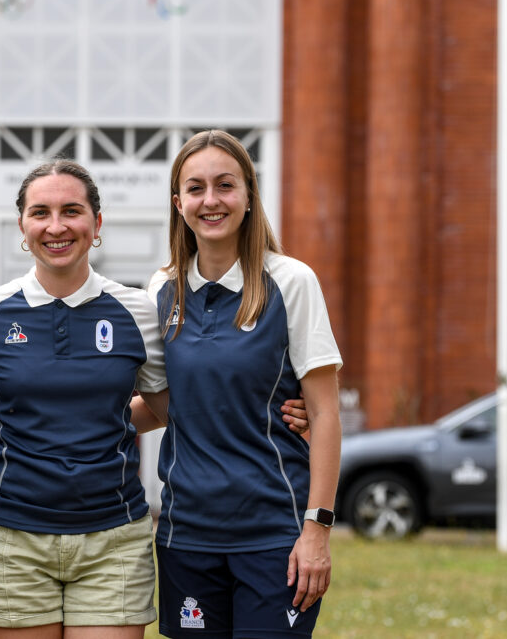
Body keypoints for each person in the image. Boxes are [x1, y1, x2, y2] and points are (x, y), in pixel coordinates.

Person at [0, 159, 311, 639]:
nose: (56, 227)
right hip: (9, 537)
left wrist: (275, 409)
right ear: (22, 226)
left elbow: (172, 407)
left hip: (113, 538)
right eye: (40, 213)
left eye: (72, 211)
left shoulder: (138, 308)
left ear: (97, 224)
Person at [137, 130, 342, 638]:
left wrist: (317, 528)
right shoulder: (161, 288)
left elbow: (324, 414)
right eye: (196, 188)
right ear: (178, 202)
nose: (211, 200)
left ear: (249, 195)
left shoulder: (292, 281)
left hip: (274, 534)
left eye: (225, 186)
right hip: (187, 535)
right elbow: (164, 406)